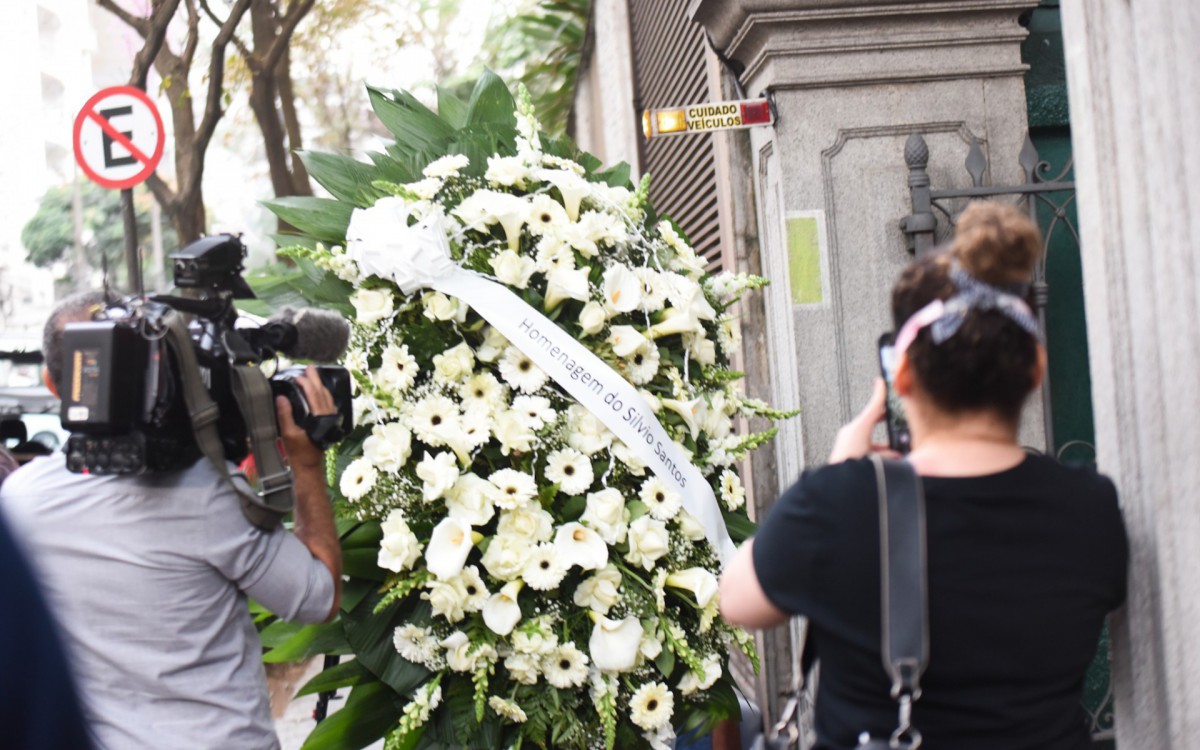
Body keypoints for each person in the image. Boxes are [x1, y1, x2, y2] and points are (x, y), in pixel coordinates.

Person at [719, 202, 1128, 750]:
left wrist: (841, 473)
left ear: (901, 374)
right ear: (1035, 365)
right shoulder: (1093, 510)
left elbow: (738, 602)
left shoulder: (839, 504)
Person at [0, 291, 342, 750]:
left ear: (53, 383)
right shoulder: (205, 497)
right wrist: (305, 464)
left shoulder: (19, 502)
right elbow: (318, 598)